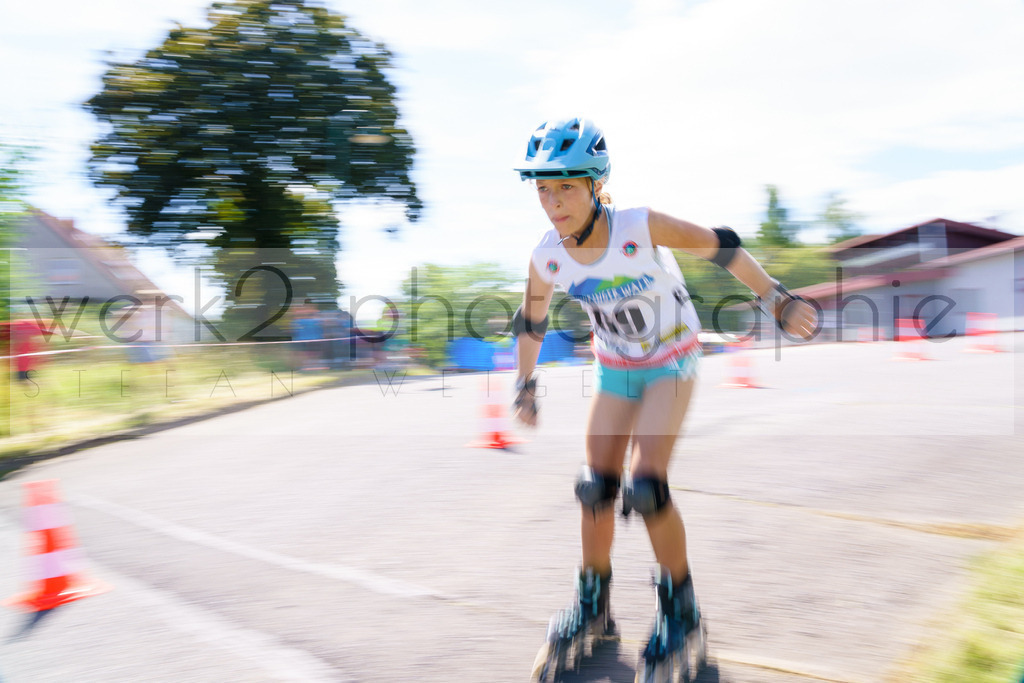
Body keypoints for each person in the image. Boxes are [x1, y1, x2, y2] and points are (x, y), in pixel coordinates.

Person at [511, 118, 817, 682]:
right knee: (594, 486)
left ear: (596, 184)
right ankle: (593, 605)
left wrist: (777, 299)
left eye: (566, 187)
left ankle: (682, 610)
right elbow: (530, 320)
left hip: (671, 359)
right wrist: (524, 385)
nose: (552, 202)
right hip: (616, 368)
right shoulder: (547, 256)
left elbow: (722, 246)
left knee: (647, 486)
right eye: (543, 189)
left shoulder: (639, 226)